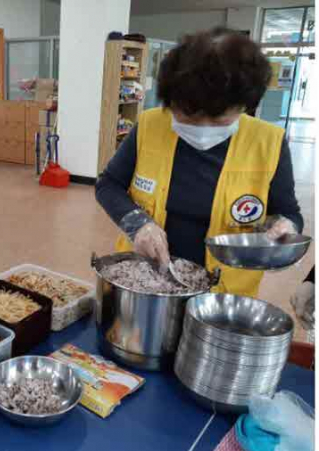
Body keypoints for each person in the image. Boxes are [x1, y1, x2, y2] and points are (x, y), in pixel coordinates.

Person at [96, 28, 303, 297]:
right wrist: (138, 224)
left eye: (218, 120)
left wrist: (283, 228)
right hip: (146, 282)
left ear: (244, 106)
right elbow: (108, 184)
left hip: (224, 294)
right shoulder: (150, 125)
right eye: (188, 116)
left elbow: (288, 212)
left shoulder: (268, 142)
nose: (203, 129)